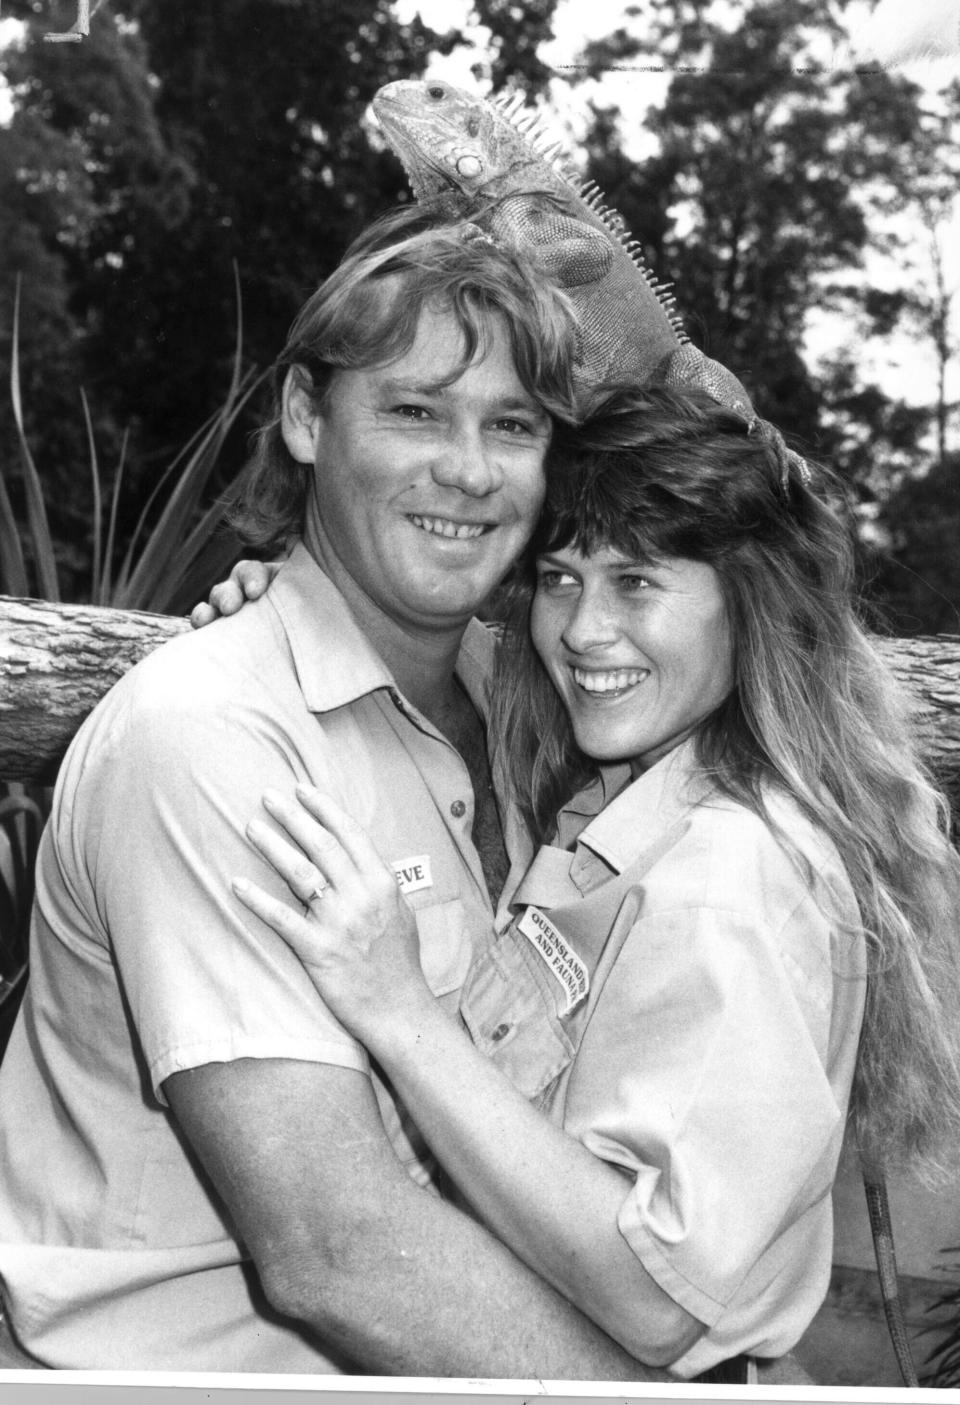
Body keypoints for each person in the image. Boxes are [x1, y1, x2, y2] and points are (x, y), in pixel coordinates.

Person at [0, 207, 689, 1377]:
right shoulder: (214, 737)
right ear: (309, 419)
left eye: (510, 426)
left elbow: (746, 572)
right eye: (414, 410)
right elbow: (333, 1248)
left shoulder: (522, 694)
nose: (469, 473)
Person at [227, 385, 960, 1380]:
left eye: (638, 582)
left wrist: (399, 1010)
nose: (582, 629)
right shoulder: (615, 806)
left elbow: (656, 1297)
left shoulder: (727, 868)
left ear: (749, 603)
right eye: (563, 579)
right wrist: (288, 620)